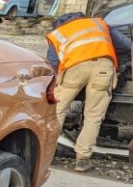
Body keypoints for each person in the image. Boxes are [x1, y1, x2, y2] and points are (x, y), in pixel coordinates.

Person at [46, 11, 131, 172]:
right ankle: (82, 159)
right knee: (94, 116)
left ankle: (47, 154)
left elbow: (52, 62)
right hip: (103, 68)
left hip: (74, 68)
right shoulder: (99, 24)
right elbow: (126, 46)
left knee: (57, 111)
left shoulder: (59, 32)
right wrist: (119, 65)